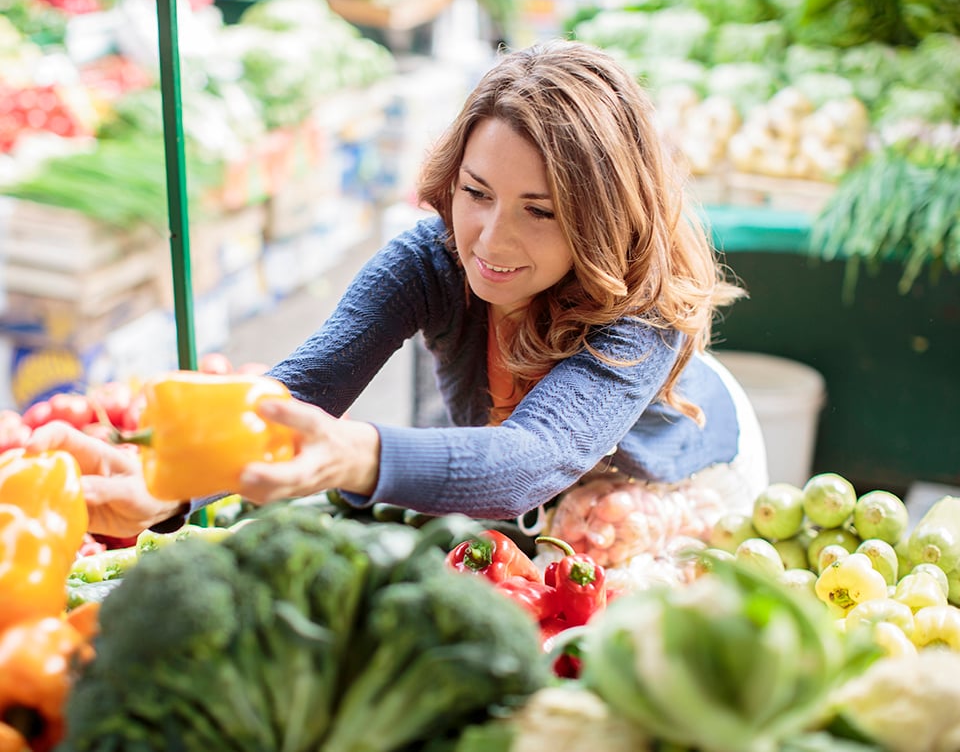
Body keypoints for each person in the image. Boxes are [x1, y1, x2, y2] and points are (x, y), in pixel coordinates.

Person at [28, 39, 767, 545]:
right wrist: (169, 485)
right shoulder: (430, 259)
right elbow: (299, 393)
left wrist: (357, 455)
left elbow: (530, 458)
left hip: (674, 484)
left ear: (602, 217)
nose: (491, 240)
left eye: (539, 211)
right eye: (477, 193)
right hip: (532, 496)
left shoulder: (642, 310)